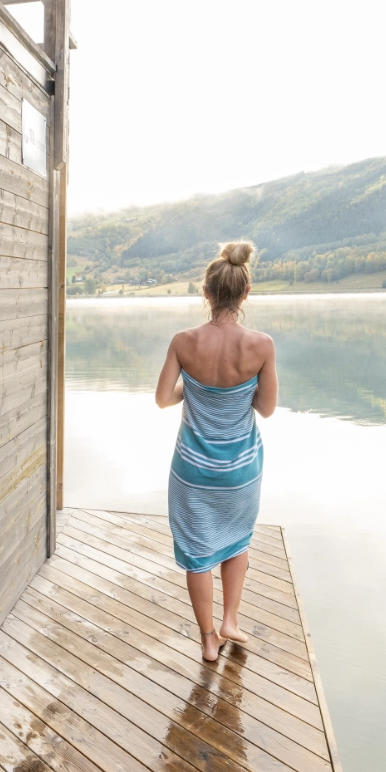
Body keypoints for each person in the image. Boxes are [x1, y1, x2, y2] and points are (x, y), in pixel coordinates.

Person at [154, 241, 278, 662]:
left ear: (205, 293)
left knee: (197, 552)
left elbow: (162, 399)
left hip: (192, 470)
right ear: (245, 294)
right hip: (241, 470)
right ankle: (230, 621)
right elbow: (266, 407)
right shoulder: (261, 345)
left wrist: (193, 388)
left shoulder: (183, 342)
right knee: (236, 542)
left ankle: (208, 638)